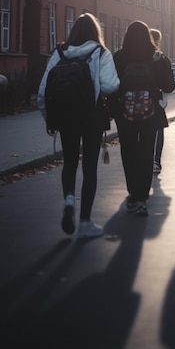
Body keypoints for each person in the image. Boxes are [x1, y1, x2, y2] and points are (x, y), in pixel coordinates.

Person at [38, 13, 119, 239]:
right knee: (89, 167)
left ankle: (69, 200)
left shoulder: (59, 53)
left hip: (65, 118)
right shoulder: (101, 53)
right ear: (96, 32)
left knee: (70, 162)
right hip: (91, 118)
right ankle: (85, 223)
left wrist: (50, 120)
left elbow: (43, 91)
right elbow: (112, 85)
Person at [111, 21, 175, 216]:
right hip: (150, 113)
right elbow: (169, 86)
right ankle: (142, 197)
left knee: (128, 151)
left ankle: (132, 192)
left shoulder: (119, 57)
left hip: (125, 113)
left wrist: (114, 108)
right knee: (146, 152)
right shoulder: (157, 58)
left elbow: (111, 85)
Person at [150, 28, 170, 175]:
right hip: (156, 100)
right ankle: (156, 160)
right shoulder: (161, 58)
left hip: (136, 101)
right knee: (158, 130)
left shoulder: (135, 56)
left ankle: (143, 159)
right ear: (158, 41)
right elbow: (169, 85)